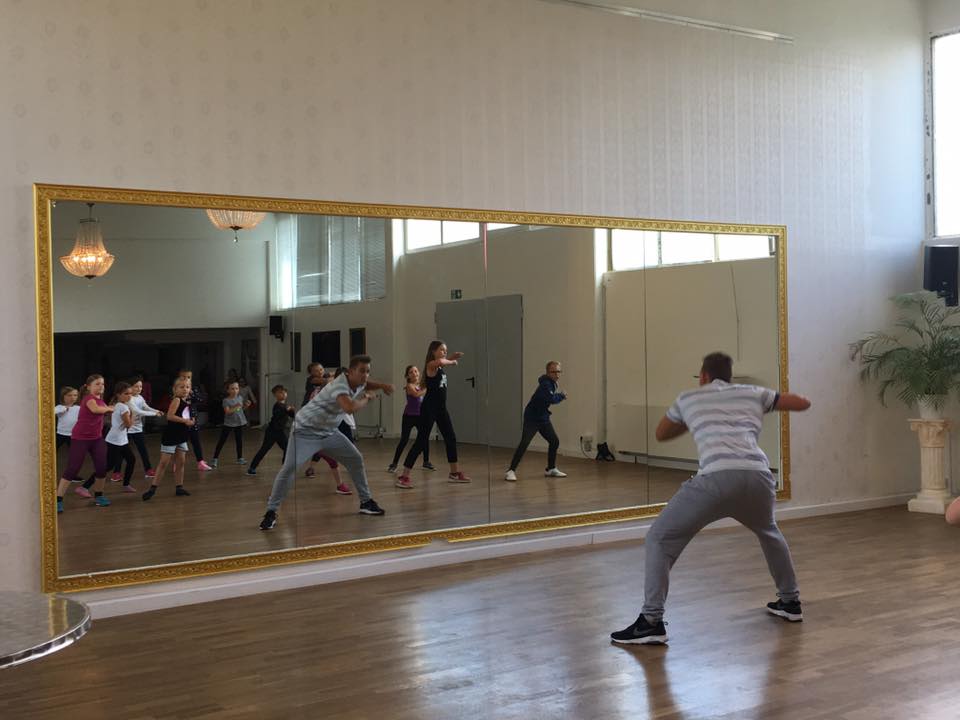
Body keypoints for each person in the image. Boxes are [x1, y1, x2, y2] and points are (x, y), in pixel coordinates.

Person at [610, 352, 811, 645]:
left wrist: (694, 419)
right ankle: (790, 602)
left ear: (703, 376)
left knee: (659, 539)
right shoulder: (754, 393)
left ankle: (651, 621)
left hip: (716, 478)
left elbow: (661, 433)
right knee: (769, 531)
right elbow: (802, 403)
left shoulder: (689, 398)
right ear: (729, 376)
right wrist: (756, 407)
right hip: (758, 476)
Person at [259, 355, 393, 529]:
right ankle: (271, 511)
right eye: (362, 371)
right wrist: (367, 398)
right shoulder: (340, 385)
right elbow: (349, 408)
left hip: (329, 432)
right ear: (350, 372)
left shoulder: (359, 381)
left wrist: (383, 386)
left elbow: (367, 383)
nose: (365, 375)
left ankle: (366, 502)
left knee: (355, 459)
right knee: (289, 468)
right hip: (304, 432)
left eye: (368, 371)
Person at [395, 341, 471, 489]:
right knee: (421, 442)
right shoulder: (430, 365)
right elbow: (441, 361)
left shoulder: (439, 367)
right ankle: (404, 477)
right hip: (429, 409)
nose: (444, 352)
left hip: (441, 409)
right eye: (441, 350)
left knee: (451, 438)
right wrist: (451, 361)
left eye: (445, 350)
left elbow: (442, 362)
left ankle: (454, 473)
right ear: (433, 351)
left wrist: (450, 357)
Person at [56, 374, 113, 512]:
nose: (101, 386)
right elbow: (95, 410)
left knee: (101, 468)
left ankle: (99, 495)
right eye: (97, 384)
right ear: (88, 387)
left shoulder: (101, 401)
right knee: (73, 469)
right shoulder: (88, 399)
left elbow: (102, 416)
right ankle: (58, 500)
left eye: (102, 384)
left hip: (97, 439)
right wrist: (111, 408)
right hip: (80, 439)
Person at [505, 361, 567, 481]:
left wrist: (559, 396)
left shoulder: (553, 383)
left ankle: (551, 469)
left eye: (559, 371)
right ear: (548, 372)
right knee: (525, 443)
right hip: (532, 418)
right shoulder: (545, 384)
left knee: (554, 441)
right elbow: (551, 399)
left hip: (543, 417)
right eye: (553, 372)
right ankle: (510, 471)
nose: (557, 374)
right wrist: (562, 395)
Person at [81, 381, 138, 493]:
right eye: (126, 393)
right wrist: (134, 414)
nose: (129, 396)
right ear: (118, 394)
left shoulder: (117, 405)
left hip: (121, 439)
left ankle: (126, 484)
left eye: (130, 393)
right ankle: (84, 487)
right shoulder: (123, 407)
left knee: (131, 460)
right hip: (115, 440)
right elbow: (128, 425)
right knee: (108, 466)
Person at [142, 378, 194, 501]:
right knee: (163, 463)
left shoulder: (187, 401)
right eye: (182, 387)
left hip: (181, 436)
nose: (185, 389)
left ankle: (179, 487)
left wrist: (190, 421)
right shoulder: (176, 400)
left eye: (187, 387)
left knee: (181, 462)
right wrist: (185, 421)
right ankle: (152, 489)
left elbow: (184, 415)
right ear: (175, 389)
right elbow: (170, 416)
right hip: (171, 435)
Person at [387, 365, 434, 473]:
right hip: (409, 417)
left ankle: (426, 462)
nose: (414, 373)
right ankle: (394, 464)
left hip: (420, 416)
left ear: (419, 373)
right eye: (411, 372)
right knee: (404, 440)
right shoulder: (409, 386)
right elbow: (417, 394)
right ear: (408, 376)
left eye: (416, 371)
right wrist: (427, 388)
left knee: (424, 438)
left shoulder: (421, 385)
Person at [246, 385, 295, 475]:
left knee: (287, 449)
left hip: (281, 432)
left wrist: (292, 410)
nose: (283, 393)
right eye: (280, 392)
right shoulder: (277, 405)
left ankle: (285, 468)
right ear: (275, 395)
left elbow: (292, 415)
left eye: (284, 392)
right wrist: (287, 409)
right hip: (272, 431)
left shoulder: (285, 405)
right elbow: (277, 414)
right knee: (264, 449)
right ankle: (252, 468)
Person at [125, 377, 163, 479]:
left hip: (138, 429)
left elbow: (146, 407)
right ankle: (116, 473)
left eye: (140, 386)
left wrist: (157, 411)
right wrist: (154, 414)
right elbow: (138, 411)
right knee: (122, 451)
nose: (139, 389)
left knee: (143, 450)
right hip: (127, 429)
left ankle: (148, 470)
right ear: (130, 387)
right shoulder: (128, 398)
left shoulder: (140, 398)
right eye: (136, 386)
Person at [178, 370, 213, 471]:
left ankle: (200, 462)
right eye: (184, 377)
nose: (186, 379)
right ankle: (177, 462)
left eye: (188, 377)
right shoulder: (177, 388)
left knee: (196, 441)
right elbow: (175, 400)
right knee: (179, 443)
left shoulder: (194, 389)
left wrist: (192, 394)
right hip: (181, 421)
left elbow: (201, 400)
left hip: (192, 420)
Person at [212, 380, 250, 466]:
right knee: (222, 440)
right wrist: (236, 406)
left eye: (236, 388)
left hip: (239, 422)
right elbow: (227, 412)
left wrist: (246, 406)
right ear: (228, 390)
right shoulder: (226, 400)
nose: (235, 390)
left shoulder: (240, 398)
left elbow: (240, 410)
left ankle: (240, 458)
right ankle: (215, 458)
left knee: (239, 441)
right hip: (229, 423)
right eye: (232, 389)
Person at [55, 386, 80, 450]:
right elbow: (53, 411)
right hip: (60, 433)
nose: (72, 397)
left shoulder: (78, 408)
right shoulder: (60, 407)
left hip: (73, 434)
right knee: (53, 449)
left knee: (75, 451)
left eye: (75, 395)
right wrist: (64, 408)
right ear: (63, 396)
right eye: (69, 395)